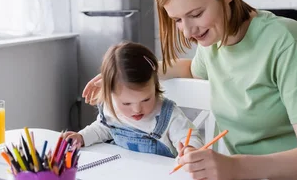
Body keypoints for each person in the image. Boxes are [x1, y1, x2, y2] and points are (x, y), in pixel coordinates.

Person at [82, 0, 297, 179]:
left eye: (195, 14)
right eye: (176, 19)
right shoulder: (214, 42)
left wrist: (234, 168)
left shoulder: (287, 43)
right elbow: (192, 70)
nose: (187, 32)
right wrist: (126, 76)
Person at [64, 41, 204, 158]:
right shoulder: (111, 108)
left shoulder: (168, 114)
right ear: (110, 94)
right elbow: (102, 129)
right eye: (126, 103)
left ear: (155, 85)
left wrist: (189, 149)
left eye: (146, 99)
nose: (137, 109)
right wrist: (81, 137)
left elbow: (189, 136)